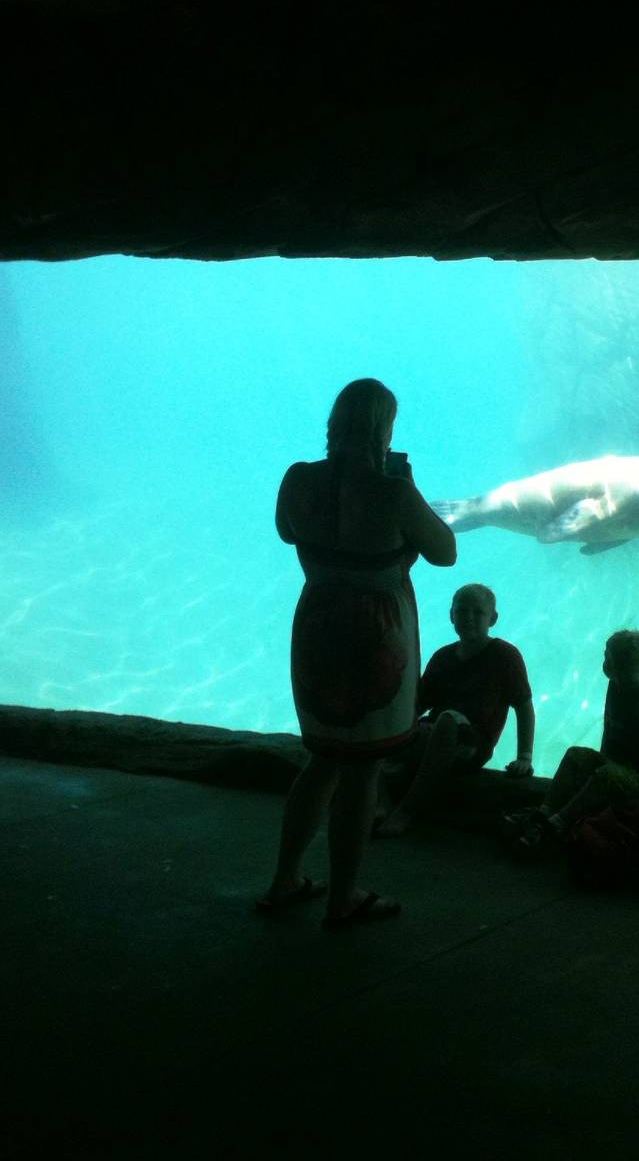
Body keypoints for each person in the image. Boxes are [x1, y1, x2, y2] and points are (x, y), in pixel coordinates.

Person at [257, 378, 455, 928]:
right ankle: (342, 898)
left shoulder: (297, 478)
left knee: (323, 760)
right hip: (377, 638)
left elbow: (285, 531)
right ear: (383, 430)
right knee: (363, 769)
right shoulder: (393, 491)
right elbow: (446, 552)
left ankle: (284, 879)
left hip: (318, 627)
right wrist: (407, 487)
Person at [373, 582, 535, 837]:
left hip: (473, 744)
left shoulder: (506, 656)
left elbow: (524, 707)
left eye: (477, 612)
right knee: (380, 724)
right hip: (434, 734)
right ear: (451, 615)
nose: (468, 617)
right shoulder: (443, 656)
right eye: (462, 611)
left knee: (448, 719)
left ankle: (406, 811)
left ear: (493, 619)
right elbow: (418, 705)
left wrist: (525, 756)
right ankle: (381, 803)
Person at [510, 628, 639, 851]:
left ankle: (557, 824)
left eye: (608, 657)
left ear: (621, 667)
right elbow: (609, 729)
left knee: (605, 775)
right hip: (613, 764)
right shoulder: (615, 686)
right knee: (574, 754)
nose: (604, 661)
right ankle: (544, 811)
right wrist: (600, 760)